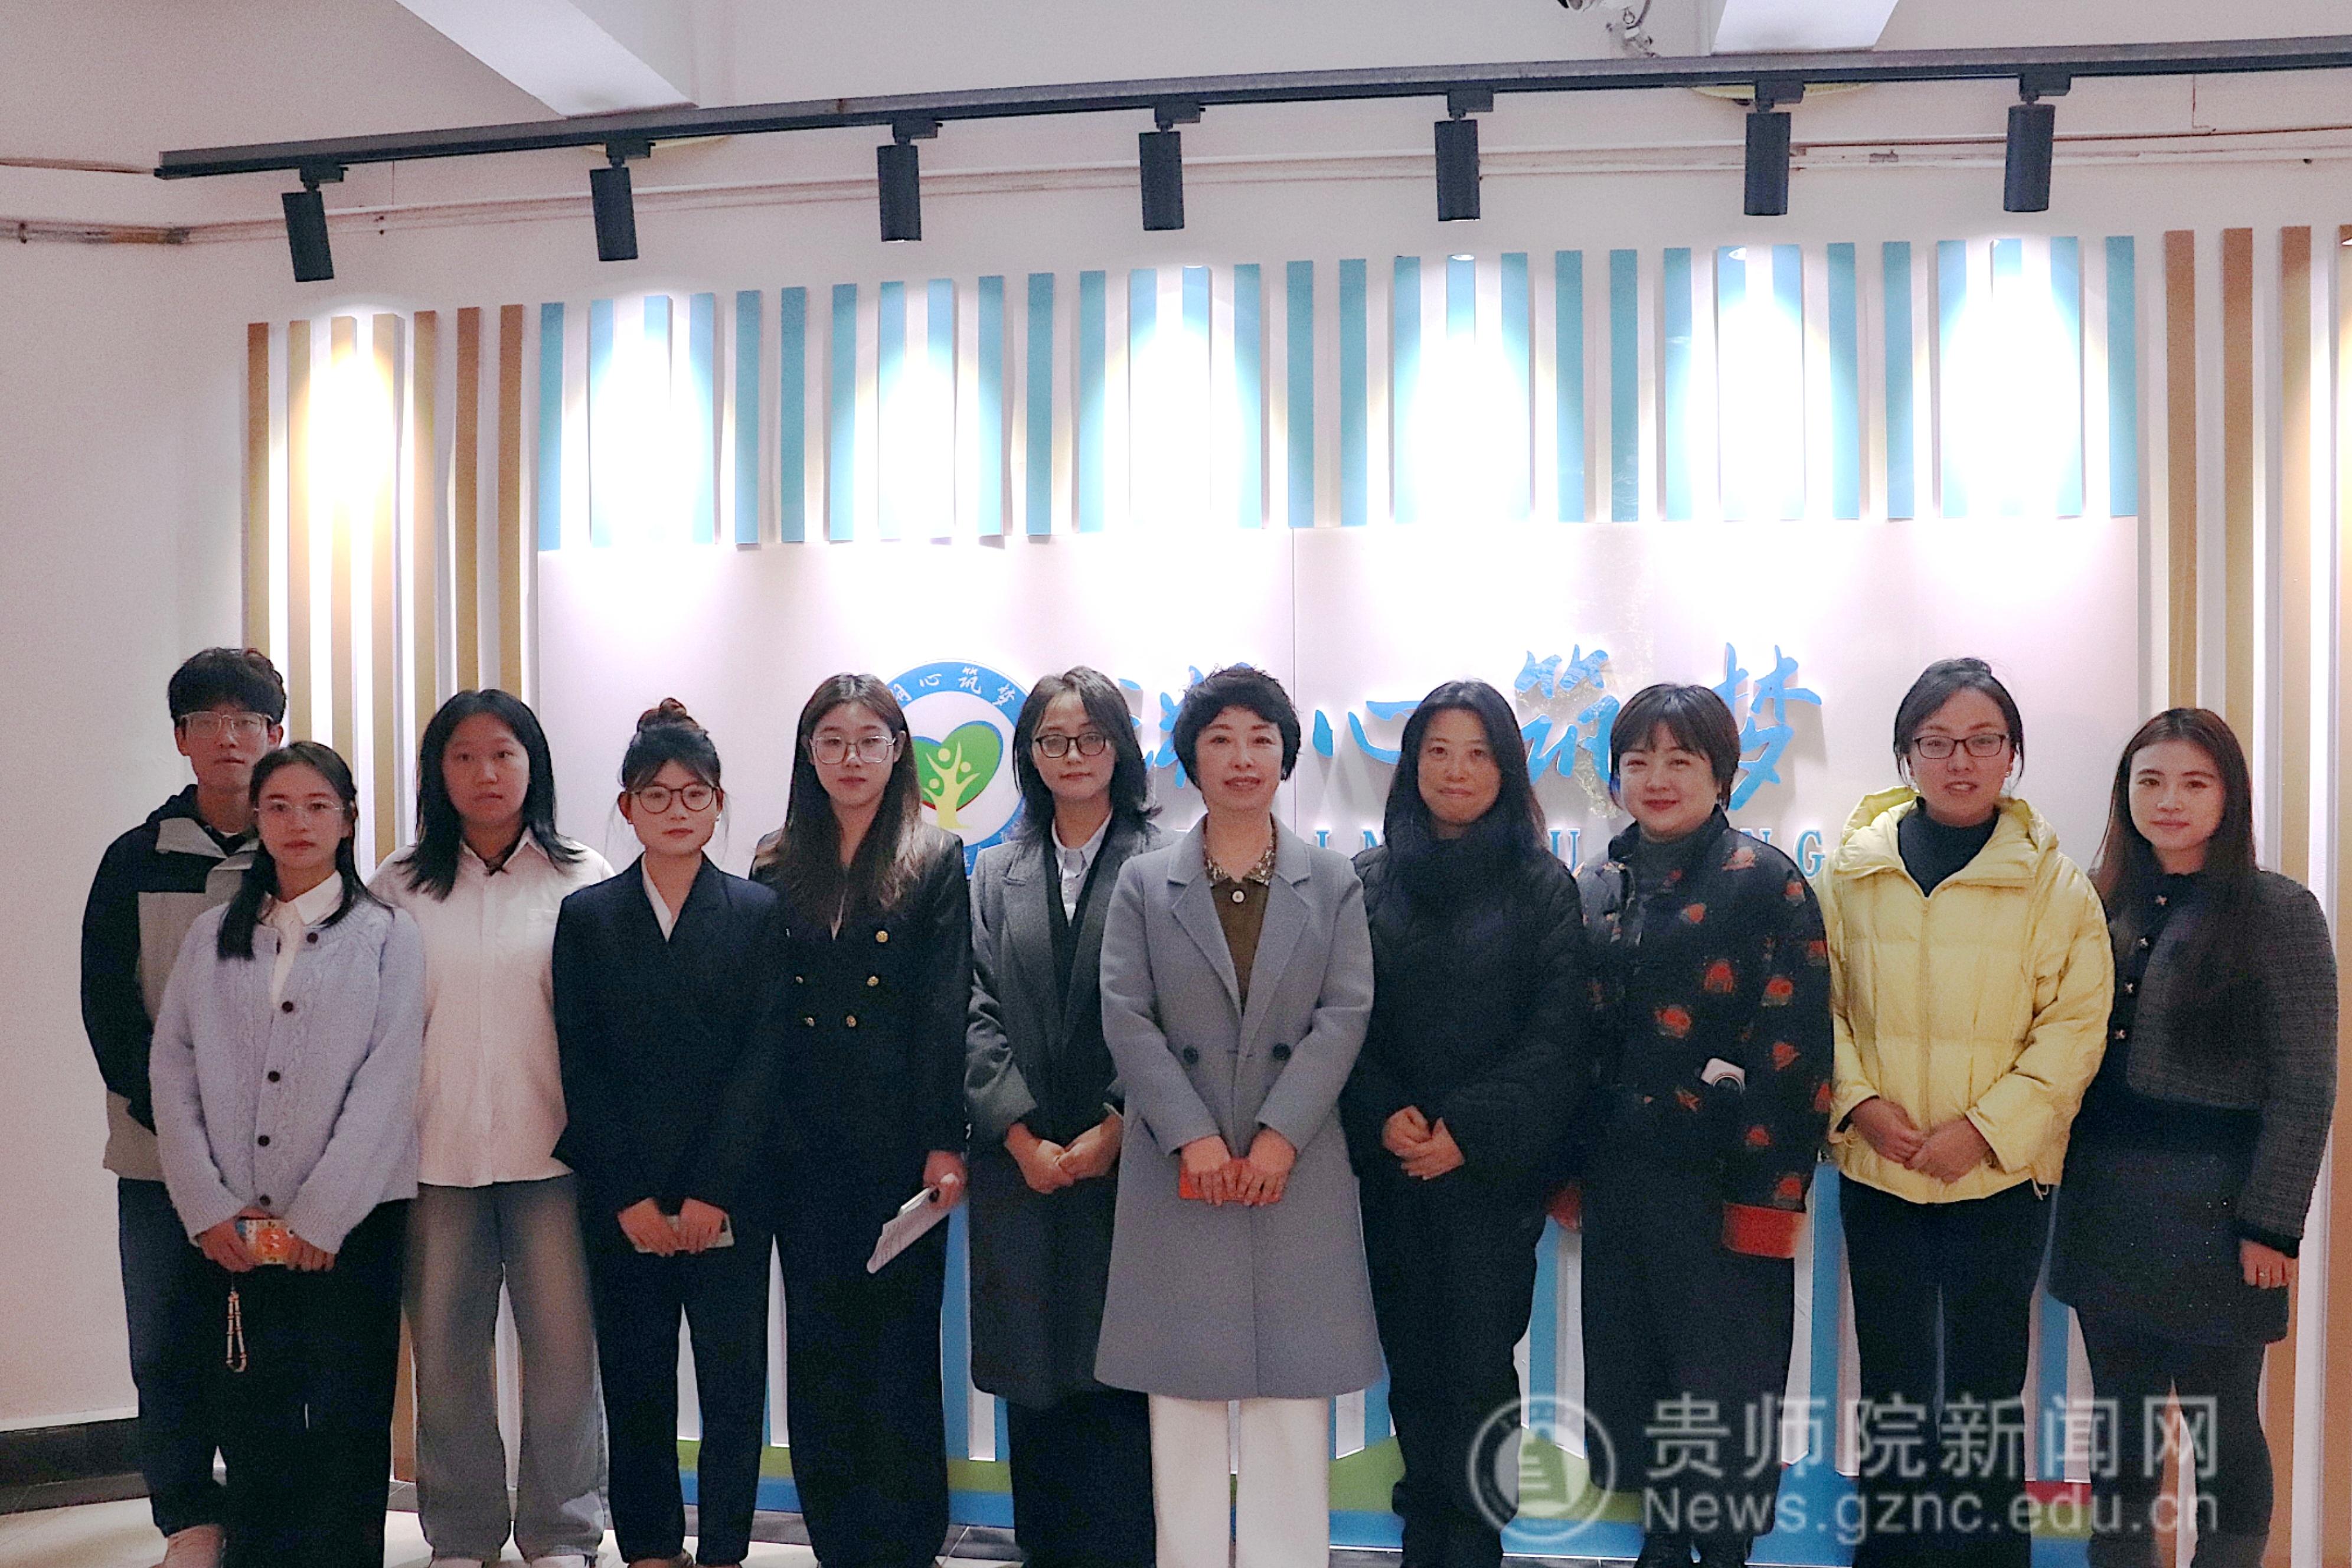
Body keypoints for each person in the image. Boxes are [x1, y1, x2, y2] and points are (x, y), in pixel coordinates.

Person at [1821, 658, 2111, 1568]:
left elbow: (2075, 1027)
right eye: (1938, 742)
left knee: (1987, 1392)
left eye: (1983, 741)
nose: (1960, 761)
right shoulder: (1851, 873)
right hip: (1882, 1171)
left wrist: (1984, 1131)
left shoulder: (2055, 885)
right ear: (1906, 753)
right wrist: (1861, 1105)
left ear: (2012, 754)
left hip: (2000, 1180)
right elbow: (1815, 1005)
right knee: (1894, 1389)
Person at [1096, 664, 1381, 1568]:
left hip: (1292, 1172)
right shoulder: (1145, 883)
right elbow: (1127, 1016)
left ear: (1286, 756)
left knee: (1291, 1407)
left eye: (1261, 738)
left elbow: (1345, 1013)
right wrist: (1194, 1137)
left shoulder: (1331, 881)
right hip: (1178, 1171)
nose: (1243, 757)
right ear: (1192, 760)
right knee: (1180, 1406)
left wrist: (1278, 1138)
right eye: (1220, 738)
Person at [2050, 710, 2337, 1568]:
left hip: (2220, 1215)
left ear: (2228, 796)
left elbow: (2307, 1082)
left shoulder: (2279, 911)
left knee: (2222, 1427)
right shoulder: (2094, 901)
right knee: (2121, 1427)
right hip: (2104, 1203)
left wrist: (2272, 1224)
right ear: (2125, 793)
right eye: (2150, 781)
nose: (2169, 800)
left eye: (2193, 782)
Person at [1572, 684, 1832, 1568]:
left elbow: (1797, 1047)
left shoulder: (1768, 883)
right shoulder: (1598, 884)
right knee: (1639, 1381)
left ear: (1722, 775)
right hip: (1619, 1183)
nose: (1658, 777)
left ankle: (1721, 1555)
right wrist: (1567, 1169)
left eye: (1681, 759)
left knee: (1726, 1396)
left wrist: (1770, 1199)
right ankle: (1659, 1544)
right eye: (1639, 759)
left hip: (1725, 1190)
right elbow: (1574, 1037)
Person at [149, 741, 425, 1568]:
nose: (297, 823)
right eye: (278, 806)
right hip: (235, 1228)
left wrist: (323, 1217)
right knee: (251, 1412)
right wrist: (208, 1206)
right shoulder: (211, 937)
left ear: (347, 821)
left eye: (316, 806)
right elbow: (173, 1071)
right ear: (257, 821)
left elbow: (389, 1082)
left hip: (355, 1227)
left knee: (348, 1412)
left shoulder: (388, 936)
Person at [1340, 680, 1589, 1568]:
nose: (1457, 770)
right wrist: (1383, 1115)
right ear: (1412, 765)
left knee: (1482, 1370)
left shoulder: (1543, 887)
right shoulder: (1365, 883)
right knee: (1411, 1363)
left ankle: (1477, 1539)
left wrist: (1468, 1133)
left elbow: (1559, 1038)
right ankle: (1426, 1535)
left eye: (1479, 753)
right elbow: (1339, 1022)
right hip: (1393, 1171)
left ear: (1507, 768)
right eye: (1438, 751)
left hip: (1491, 1180)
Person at [372, 690, 613, 1568]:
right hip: (432, 1157)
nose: (486, 773)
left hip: (555, 1154)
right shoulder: (399, 884)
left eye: (504, 753)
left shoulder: (582, 874)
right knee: (446, 1358)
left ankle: (562, 1530)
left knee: (563, 1358)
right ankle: (463, 1532)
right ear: (438, 772)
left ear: (532, 765)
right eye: (464, 756)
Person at [553, 701, 786, 1568]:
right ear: (627, 808)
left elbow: (763, 1061)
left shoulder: (759, 912)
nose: (677, 810)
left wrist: (713, 1192)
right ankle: (651, 1547)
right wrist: (629, 1197)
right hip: (625, 1199)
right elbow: (580, 1064)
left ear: (719, 803)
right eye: (656, 795)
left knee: (733, 1385)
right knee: (636, 1378)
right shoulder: (588, 917)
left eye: (695, 794)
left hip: (731, 1195)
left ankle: (723, 1547)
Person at [754, 673, 972, 1568]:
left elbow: (946, 1007)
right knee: (818, 1345)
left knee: (899, 1348)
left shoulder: (934, 855)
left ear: (898, 751)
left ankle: (907, 1542)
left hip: (899, 1148)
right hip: (799, 1145)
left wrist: (945, 1141)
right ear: (809, 753)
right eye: (833, 741)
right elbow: (764, 1009)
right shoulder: (774, 860)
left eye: (869, 741)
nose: (851, 758)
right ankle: (837, 1540)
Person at [81, 646, 286, 1568]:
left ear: (274, 734)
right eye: (207, 722)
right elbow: (107, 1004)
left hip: (276, 1160)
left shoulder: (301, 853)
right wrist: (178, 1116)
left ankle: (263, 1511)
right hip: (156, 1153)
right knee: (166, 1340)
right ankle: (188, 1519)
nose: (228, 738)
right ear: (181, 740)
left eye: (245, 721)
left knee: (268, 1340)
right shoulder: (133, 859)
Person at [965, 668, 1167, 1568]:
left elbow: (1178, 1011)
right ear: (1030, 755)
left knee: (1122, 1385)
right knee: (1033, 1380)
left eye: (1090, 737)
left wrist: (1119, 1125)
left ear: (1119, 748)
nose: (1072, 754)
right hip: (1023, 1167)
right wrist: (1018, 1134)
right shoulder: (993, 871)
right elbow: (971, 1009)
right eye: (1053, 739)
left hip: (1134, 1165)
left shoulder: (1165, 864)